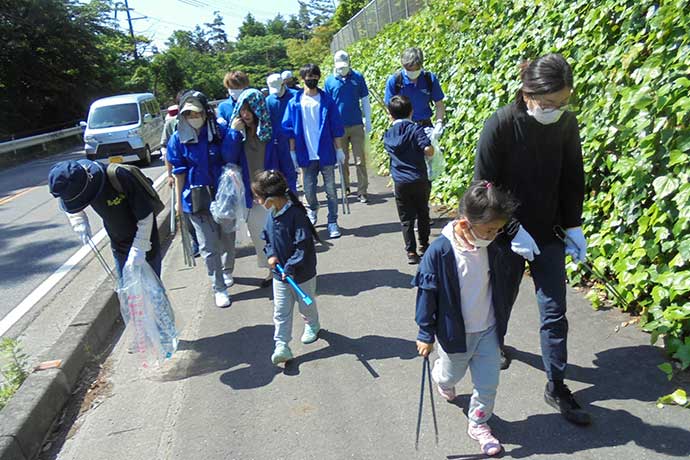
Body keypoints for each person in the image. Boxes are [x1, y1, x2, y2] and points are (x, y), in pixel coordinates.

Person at [473, 53, 589, 425]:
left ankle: (556, 384)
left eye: (563, 102)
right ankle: (496, 348)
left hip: (550, 232)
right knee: (500, 301)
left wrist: (573, 226)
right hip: (507, 235)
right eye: (549, 103)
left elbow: (573, 177)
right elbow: (483, 186)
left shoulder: (566, 125)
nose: (557, 110)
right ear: (527, 93)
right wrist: (509, 228)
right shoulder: (501, 126)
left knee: (555, 312)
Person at [415, 181, 518, 457]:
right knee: (452, 375)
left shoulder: (493, 246)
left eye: (497, 230)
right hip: (454, 334)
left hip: (488, 330)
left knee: (488, 383)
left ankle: (479, 424)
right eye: (488, 230)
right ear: (464, 223)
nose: (493, 235)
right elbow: (427, 294)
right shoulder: (441, 252)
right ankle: (442, 377)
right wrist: (425, 333)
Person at [222, 88, 296, 288]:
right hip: (252, 194)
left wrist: (291, 192)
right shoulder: (238, 133)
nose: (245, 114)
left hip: (274, 193)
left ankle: (285, 269)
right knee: (260, 236)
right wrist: (233, 132)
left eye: (249, 109)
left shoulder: (273, 132)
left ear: (258, 109)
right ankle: (273, 271)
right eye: (242, 109)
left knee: (278, 234)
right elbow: (228, 157)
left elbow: (286, 165)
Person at [167, 90, 234, 308]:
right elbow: (178, 171)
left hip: (222, 195)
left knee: (227, 237)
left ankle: (227, 270)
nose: (192, 118)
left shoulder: (219, 131)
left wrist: (234, 133)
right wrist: (178, 201)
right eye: (187, 114)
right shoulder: (178, 138)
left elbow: (233, 157)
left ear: (205, 113)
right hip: (195, 198)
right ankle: (219, 287)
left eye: (196, 113)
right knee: (207, 244)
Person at [48, 159, 161, 279]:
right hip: (119, 245)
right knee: (130, 294)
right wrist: (78, 220)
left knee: (153, 292)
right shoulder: (79, 180)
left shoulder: (118, 176)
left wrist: (140, 247)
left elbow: (146, 215)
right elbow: (73, 203)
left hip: (147, 244)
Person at [252, 170, 321, 365]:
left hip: (302, 274)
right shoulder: (271, 214)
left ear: (271, 198)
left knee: (306, 305)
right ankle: (281, 345)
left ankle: (312, 324)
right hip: (279, 275)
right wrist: (270, 254)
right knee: (281, 312)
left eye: (258, 197)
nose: (257, 201)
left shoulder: (296, 215)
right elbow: (266, 237)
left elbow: (303, 247)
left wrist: (290, 267)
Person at [282, 63, 346, 239]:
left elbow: (335, 126)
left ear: (319, 77)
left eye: (314, 76)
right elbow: (289, 130)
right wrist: (293, 152)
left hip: (325, 152)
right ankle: (313, 210)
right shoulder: (295, 102)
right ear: (302, 78)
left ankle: (333, 221)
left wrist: (339, 149)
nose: (311, 79)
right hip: (305, 153)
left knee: (331, 190)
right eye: (308, 76)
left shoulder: (327, 100)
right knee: (309, 190)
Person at [383, 95, 434, 264]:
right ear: (411, 111)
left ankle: (411, 252)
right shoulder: (416, 129)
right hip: (418, 178)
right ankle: (424, 245)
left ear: (390, 115)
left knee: (406, 218)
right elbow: (427, 149)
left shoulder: (388, 134)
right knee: (422, 213)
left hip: (400, 181)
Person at [324, 50, 372, 203]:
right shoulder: (329, 81)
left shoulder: (358, 77)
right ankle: (345, 187)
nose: (342, 69)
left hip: (356, 124)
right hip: (338, 128)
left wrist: (368, 121)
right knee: (342, 160)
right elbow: (327, 105)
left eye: (344, 66)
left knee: (360, 160)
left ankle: (362, 191)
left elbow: (365, 100)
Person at [161, 91, 200, 258]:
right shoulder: (172, 123)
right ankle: (196, 241)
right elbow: (166, 150)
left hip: (198, 174)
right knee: (185, 208)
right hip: (181, 172)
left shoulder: (205, 122)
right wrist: (169, 174)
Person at [384, 47, 445, 141]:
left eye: (416, 69)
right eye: (409, 69)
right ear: (403, 66)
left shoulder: (429, 79)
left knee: (430, 152)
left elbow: (439, 104)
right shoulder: (395, 81)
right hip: (403, 129)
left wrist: (439, 123)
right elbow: (389, 108)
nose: (412, 72)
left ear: (421, 65)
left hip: (425, 126)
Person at [265, 73, 298, 192]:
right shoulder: (268, 100)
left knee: (293, 175)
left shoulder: (295, 96)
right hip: (277, 143)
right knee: (278, 176)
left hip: (296, 140)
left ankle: (296, 202)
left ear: (284, 84)